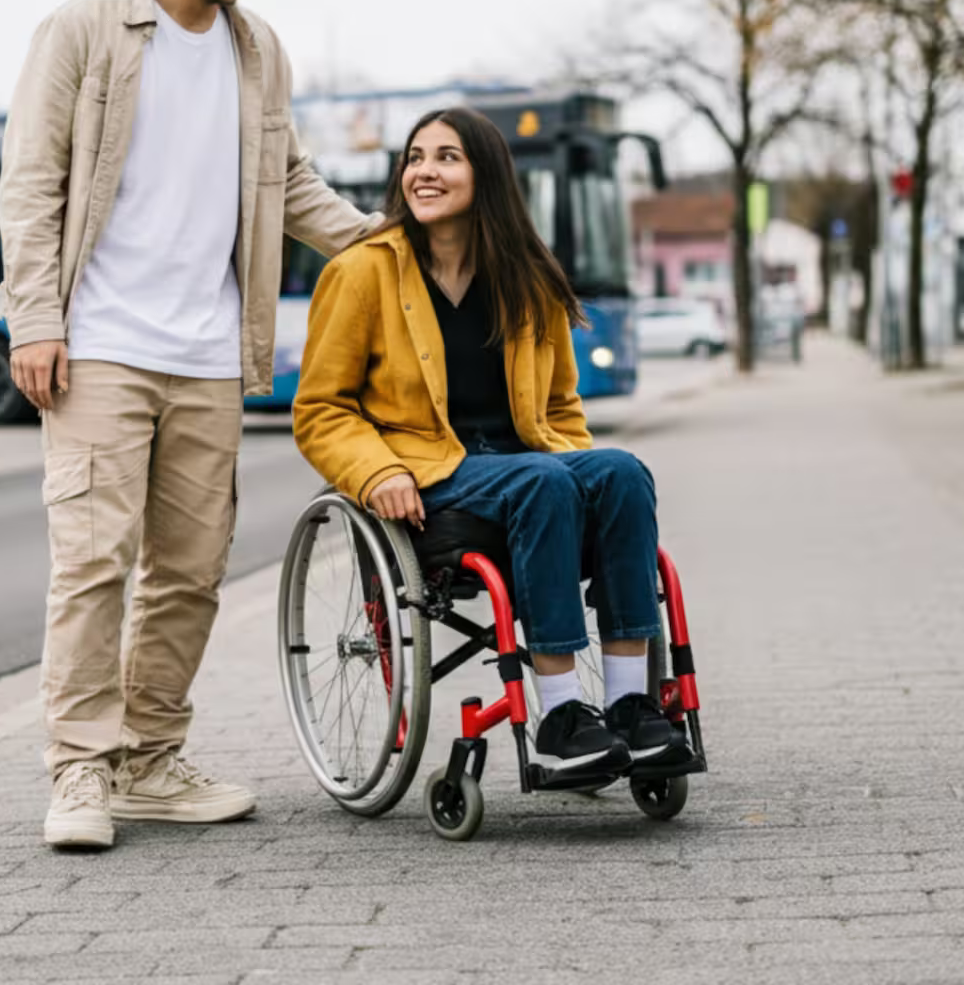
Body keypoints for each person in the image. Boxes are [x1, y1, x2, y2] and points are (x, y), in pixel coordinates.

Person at [0, 0, 375, 850]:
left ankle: (148, 761)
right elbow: (30, 185)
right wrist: (34, 317)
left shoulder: (259, 52)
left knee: (190, 571)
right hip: (102, 346)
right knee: (92, 563)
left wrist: (387, 245)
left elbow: (289, 182)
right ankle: (78, 770)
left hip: (210, 353)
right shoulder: (82, 31)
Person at [294, 107, 688, 783]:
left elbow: (561, 407)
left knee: (621, 472)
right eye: (415, 157)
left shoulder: (528, 278)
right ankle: (560, 716)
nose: (424, 171)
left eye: (447, 157)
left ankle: (629, 704)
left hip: (526, 466)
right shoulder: (363, 273)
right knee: (543, 482)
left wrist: (575, 468)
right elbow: (321, 410)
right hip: (428, 473)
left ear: (488, 176)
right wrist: (376, 471)